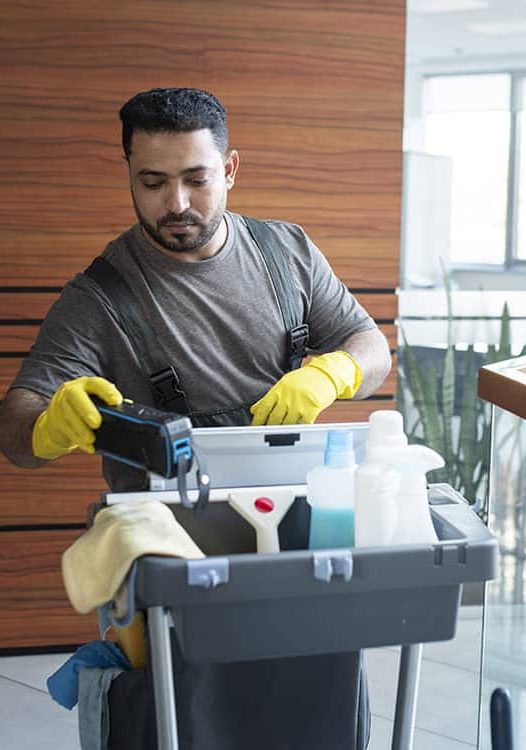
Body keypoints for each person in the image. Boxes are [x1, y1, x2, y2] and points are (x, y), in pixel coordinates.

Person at [0, 87, 391, 749]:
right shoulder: (100, 296)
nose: (176, 203)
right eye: (152, 182)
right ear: (128, 173)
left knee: (314, 713)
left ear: (230, 169)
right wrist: (48, 425)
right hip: (171, 564)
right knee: (186, 724)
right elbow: (16, 429)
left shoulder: (287, 251)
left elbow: (370, 344)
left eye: (196, 179)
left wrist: (334, 372)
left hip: (296, 540)